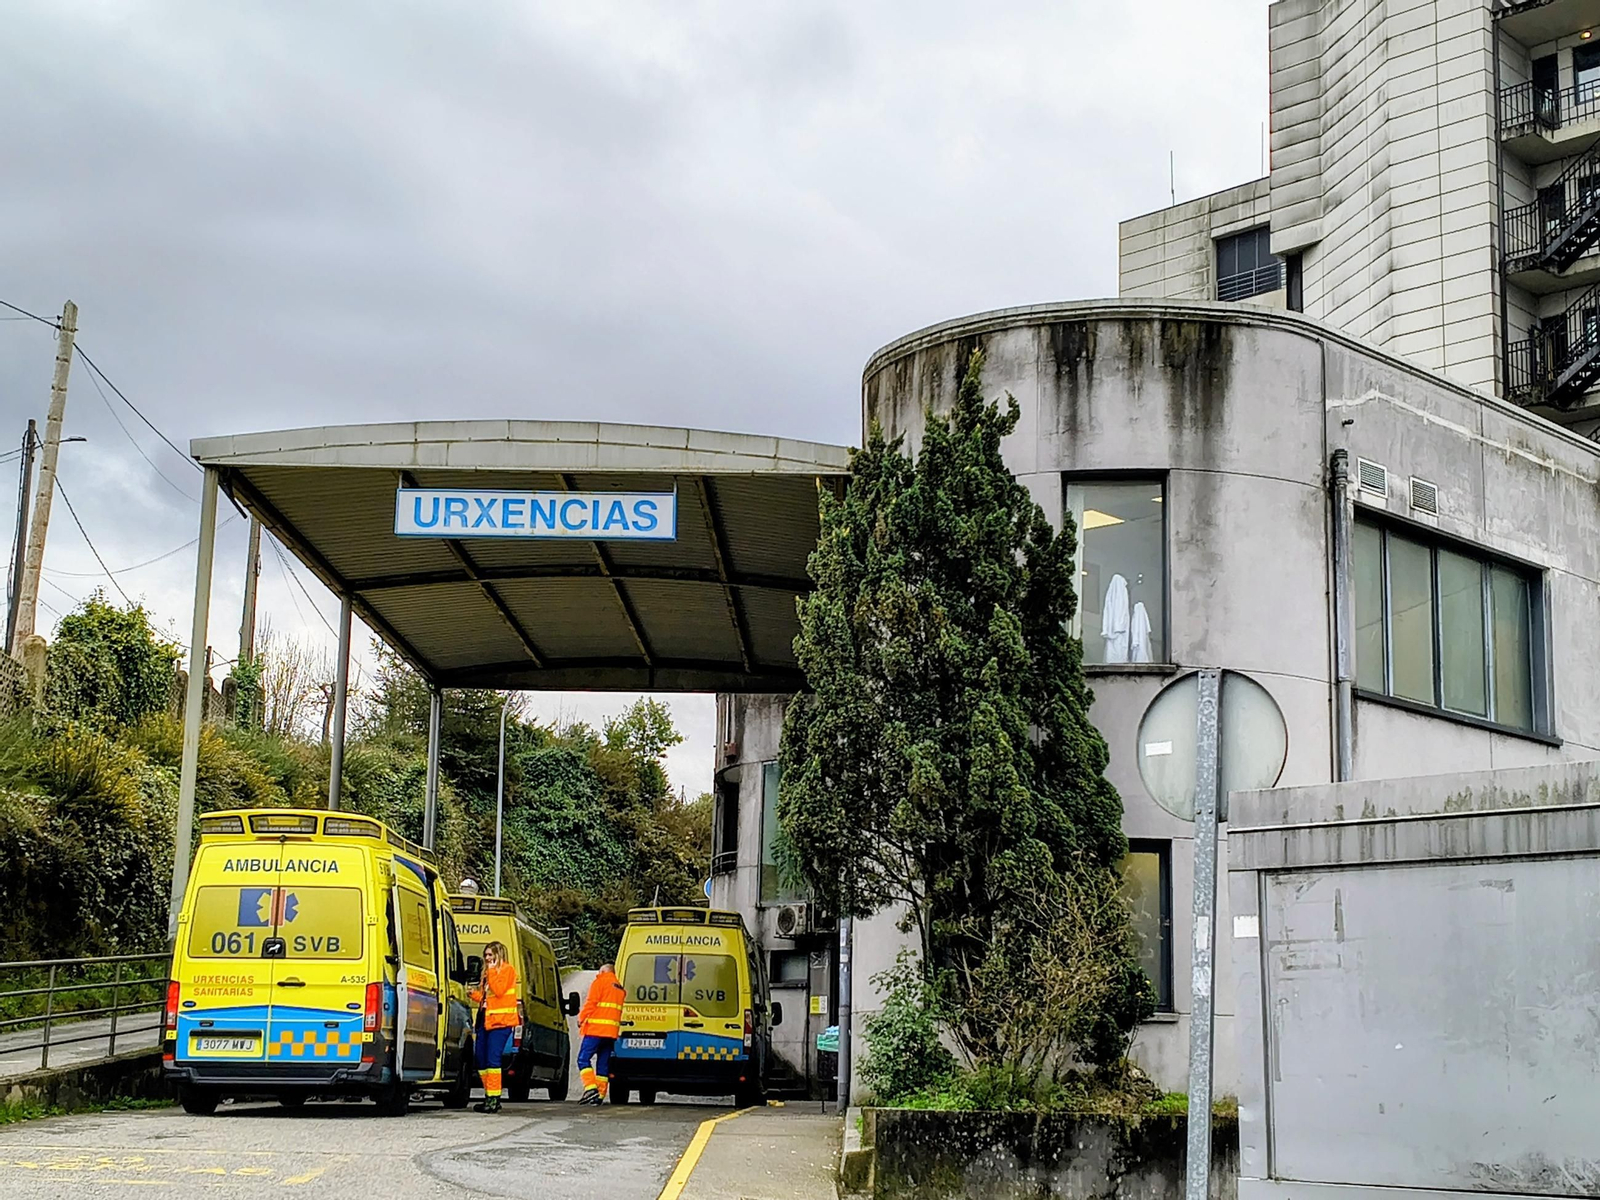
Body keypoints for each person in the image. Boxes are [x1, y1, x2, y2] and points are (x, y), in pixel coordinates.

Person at [470, 940, 520, 1113]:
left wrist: (491, 971)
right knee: (480, 1059)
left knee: (493, 1059)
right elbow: (489, 999)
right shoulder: (488, 974)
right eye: (486, 955)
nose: (487, 958)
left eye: (490, 955)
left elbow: (499, 990)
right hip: (486, 1019)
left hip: (501, 1022)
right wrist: (474, 995)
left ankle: (493, 1099)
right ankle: (489, 1095)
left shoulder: (507, 970)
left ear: (499, 955)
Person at [576, 962, 626, 1105]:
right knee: (602, 1064)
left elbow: (591, 1002)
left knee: (583, 1059)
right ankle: (599, 1095)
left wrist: (581, 1018)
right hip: (610, 1033)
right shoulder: (620, 989)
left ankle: (590, 1088)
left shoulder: (600, 982)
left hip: (596, 1030)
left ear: (603, 971)